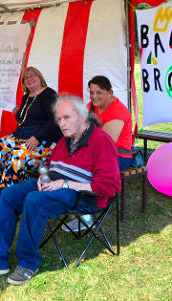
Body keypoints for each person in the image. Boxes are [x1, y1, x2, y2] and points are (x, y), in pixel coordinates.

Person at [0, 96, 121, 285]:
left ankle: (28, 263)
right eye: (59, 119)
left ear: (82, 117)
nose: (62, 124)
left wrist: (64, 184)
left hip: (83, 194)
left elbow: (109, 186)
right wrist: (42, 176)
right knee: (8, 195)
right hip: (54, 184)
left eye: (66, 118)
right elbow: (48, 163)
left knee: (34, 200)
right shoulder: (67, 139)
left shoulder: (101, 141)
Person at [0, 66, 62, 209]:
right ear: (23, 82)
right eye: (26, 77)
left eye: (33, 75)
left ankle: (3, 194)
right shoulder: (26, 96)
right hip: (21, 136)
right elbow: (23, 119)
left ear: (40, 77)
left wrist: (37, 138)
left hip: (42, 141)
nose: (30, 78)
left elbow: (55, 121)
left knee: (17, 156)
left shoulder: (49, 94)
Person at [62, 75, 133, 233]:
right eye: (92, 92)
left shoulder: (118, 111)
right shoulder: (91, 106)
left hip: (118, 155)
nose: (94, 96)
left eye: (99, 92)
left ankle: (87, 215)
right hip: (95, 150)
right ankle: (68, 202)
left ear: (110, 92)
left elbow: (104, 144)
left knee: (84, 168)